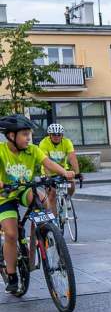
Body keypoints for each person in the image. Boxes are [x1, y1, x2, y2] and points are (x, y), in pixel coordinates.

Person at [0, 115, 75, 294]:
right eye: (25, 134)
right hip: (5, 196)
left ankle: (46, 231)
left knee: (41, 199)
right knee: (11, 234)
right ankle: (12, 275)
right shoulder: (1, 151)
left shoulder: (32, 150)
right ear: (11, 135)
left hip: (24, 189)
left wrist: (65, 172)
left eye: (29, 134)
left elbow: (47, 162)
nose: (29, 138)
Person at [38, 123, 80, 213]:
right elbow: (46, 162)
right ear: (49, 135)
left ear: (62, 135)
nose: (56, 136)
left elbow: (72, 158)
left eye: (59, 135)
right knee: (52, 194)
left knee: (71, 183)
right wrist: (48, 178)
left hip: (62, 171)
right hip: (48, 172)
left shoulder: (67, 142)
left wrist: (77, 173)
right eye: (53, 134)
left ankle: (67, 198)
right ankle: (54, 221)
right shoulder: (43, 143)